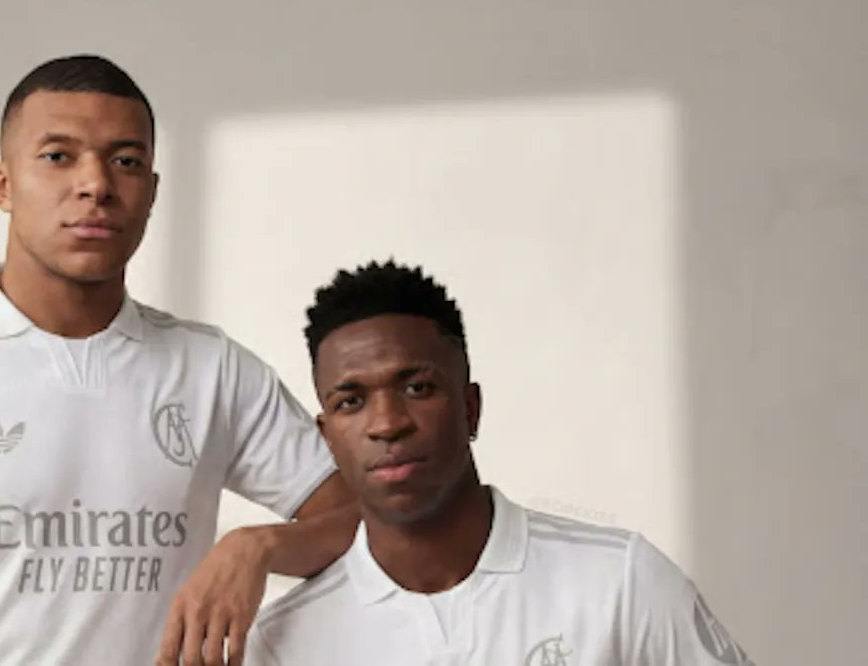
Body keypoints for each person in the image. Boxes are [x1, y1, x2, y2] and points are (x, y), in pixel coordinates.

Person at [0, 55, 356, 666]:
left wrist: (260, 548)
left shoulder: (213, 370)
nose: (96, 185)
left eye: (125, 161)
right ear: (3, 185)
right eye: (59, 156)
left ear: (152, 192)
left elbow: (369, 523)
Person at [246, 261, 755, 665]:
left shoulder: (618, 583)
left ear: (470, 408)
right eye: (351, 402)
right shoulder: (281, 646)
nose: (387, 422)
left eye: (417, 388)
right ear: (327, 438)